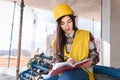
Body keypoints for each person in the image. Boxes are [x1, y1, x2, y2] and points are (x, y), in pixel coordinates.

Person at [43, 3, 99, 80]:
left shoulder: (86, 35)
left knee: (67, 77)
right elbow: (55, 62)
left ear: (73, 20)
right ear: (59, 25)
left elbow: (95, 55)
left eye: (69, 21)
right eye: (62, 23)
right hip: (63, 72)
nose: (66, 26)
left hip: (83, 71)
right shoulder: (55, 43)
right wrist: (65, 63)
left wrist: (91, 61)